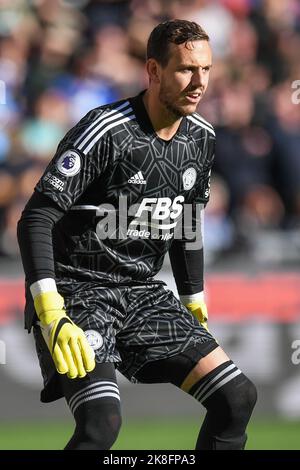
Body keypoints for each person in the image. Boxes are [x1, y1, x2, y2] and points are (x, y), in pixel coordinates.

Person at [17, 19, 257, 450]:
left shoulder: (201, 138)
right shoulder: (106, 131)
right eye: (186, 69)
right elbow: (35, 218)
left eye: (206, 69)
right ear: (153, 70)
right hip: (79, 292)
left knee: (237, 398)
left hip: (142, 293)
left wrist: (193, 299)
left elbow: (187, 222)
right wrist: (50, 310)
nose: (199, 82)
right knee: (101, 425)